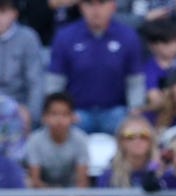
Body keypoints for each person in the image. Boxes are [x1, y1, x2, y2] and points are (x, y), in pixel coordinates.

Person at [45, 0, 144, 136]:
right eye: (90, 4)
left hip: (115, 111)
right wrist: (60, 113)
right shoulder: (65, 37)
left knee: (134, 134)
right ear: (81, 7)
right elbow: (55, 82)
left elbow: (135, 81)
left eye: (102, 3)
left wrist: (135, 112)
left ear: (112, 6)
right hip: (77, 113)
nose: (96, 10)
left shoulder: (128, 36)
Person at [24, 92, 90, 196]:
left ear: (73, 117)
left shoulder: (80, 140)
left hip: (72, 193)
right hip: (42, 193)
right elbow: (34, 180)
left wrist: (67, 195)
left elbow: (82, 181)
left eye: (65, 114)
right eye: (54, 114)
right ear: (44, 117)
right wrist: (55, 193)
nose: (59, 120)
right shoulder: (35, 140)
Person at [0, 0, 46, 140]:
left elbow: (36, 82)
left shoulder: (28, 38)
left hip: (20, 106)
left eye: (2, 11)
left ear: (15, 13)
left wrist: (31, 114)